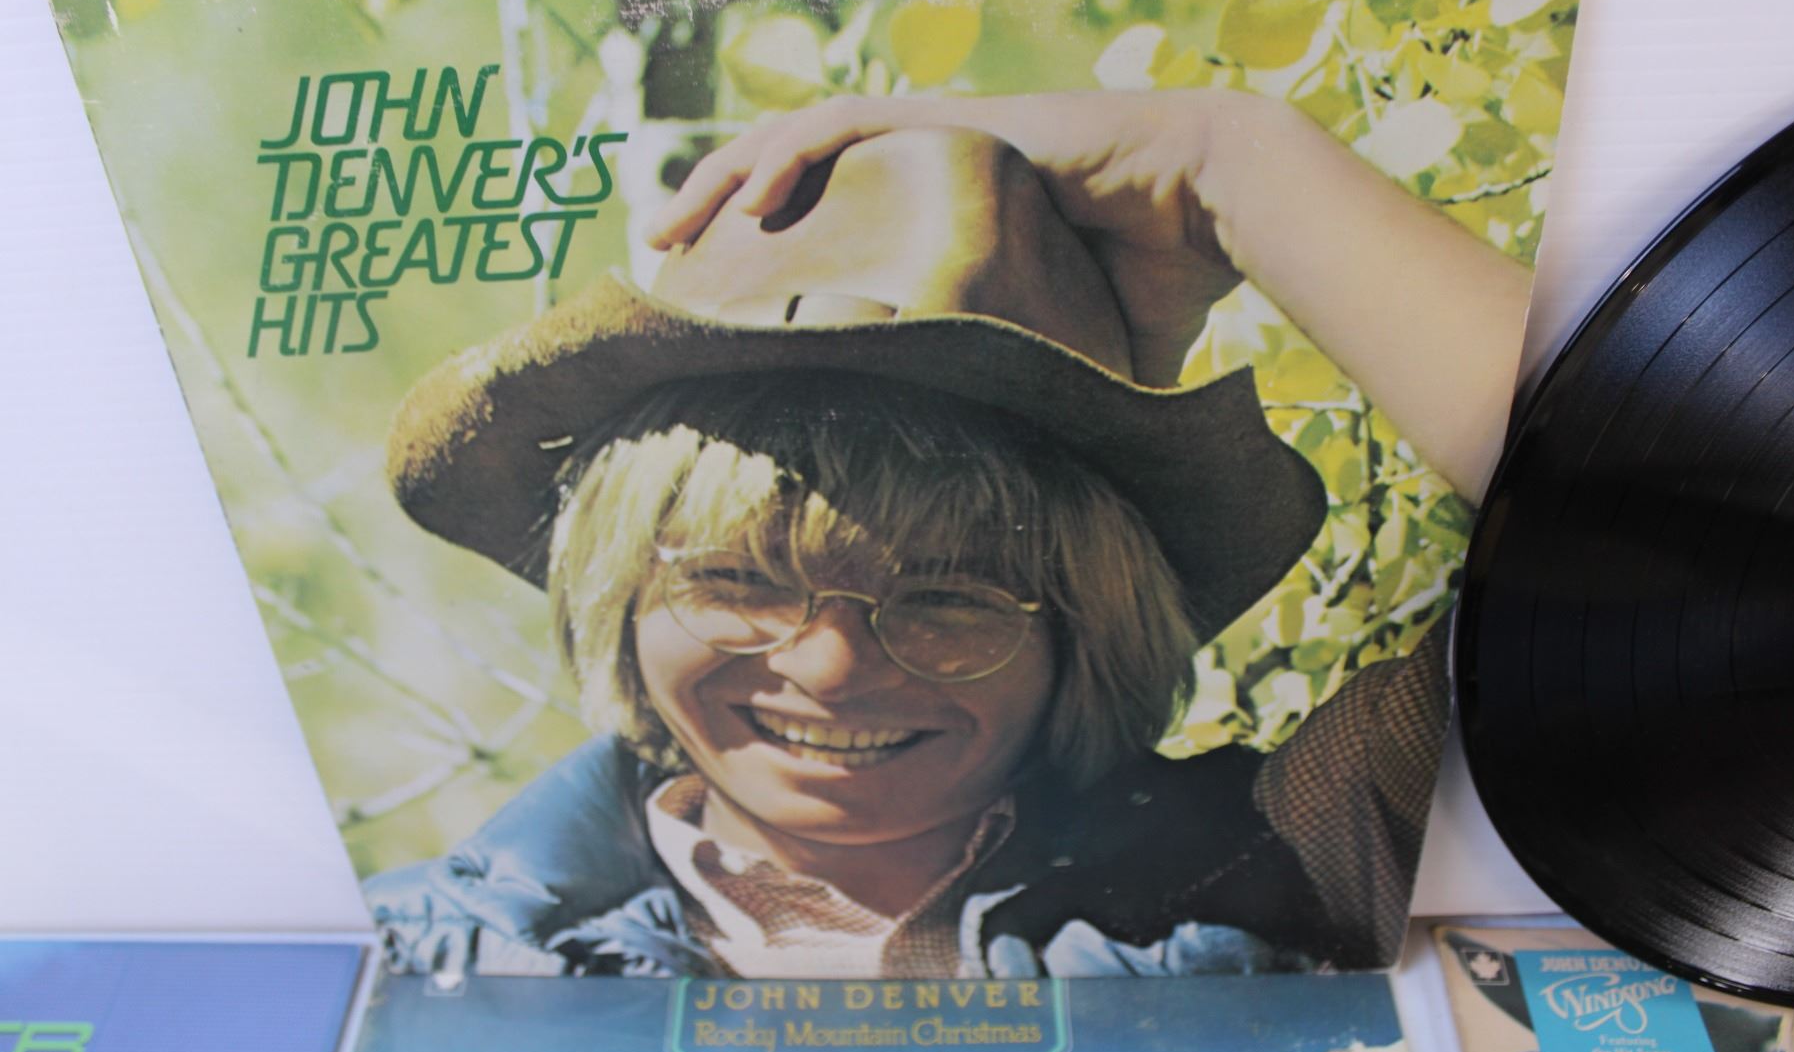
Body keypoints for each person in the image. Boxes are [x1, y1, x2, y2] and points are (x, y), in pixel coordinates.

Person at [366, 90, 1530, 981]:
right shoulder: (412, 960)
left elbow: (1630, 520)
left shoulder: (1295, 869)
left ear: (1087, 628)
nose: (830, 667)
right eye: (737, 579)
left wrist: (1225, 160)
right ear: (617, 590)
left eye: (947, 597)